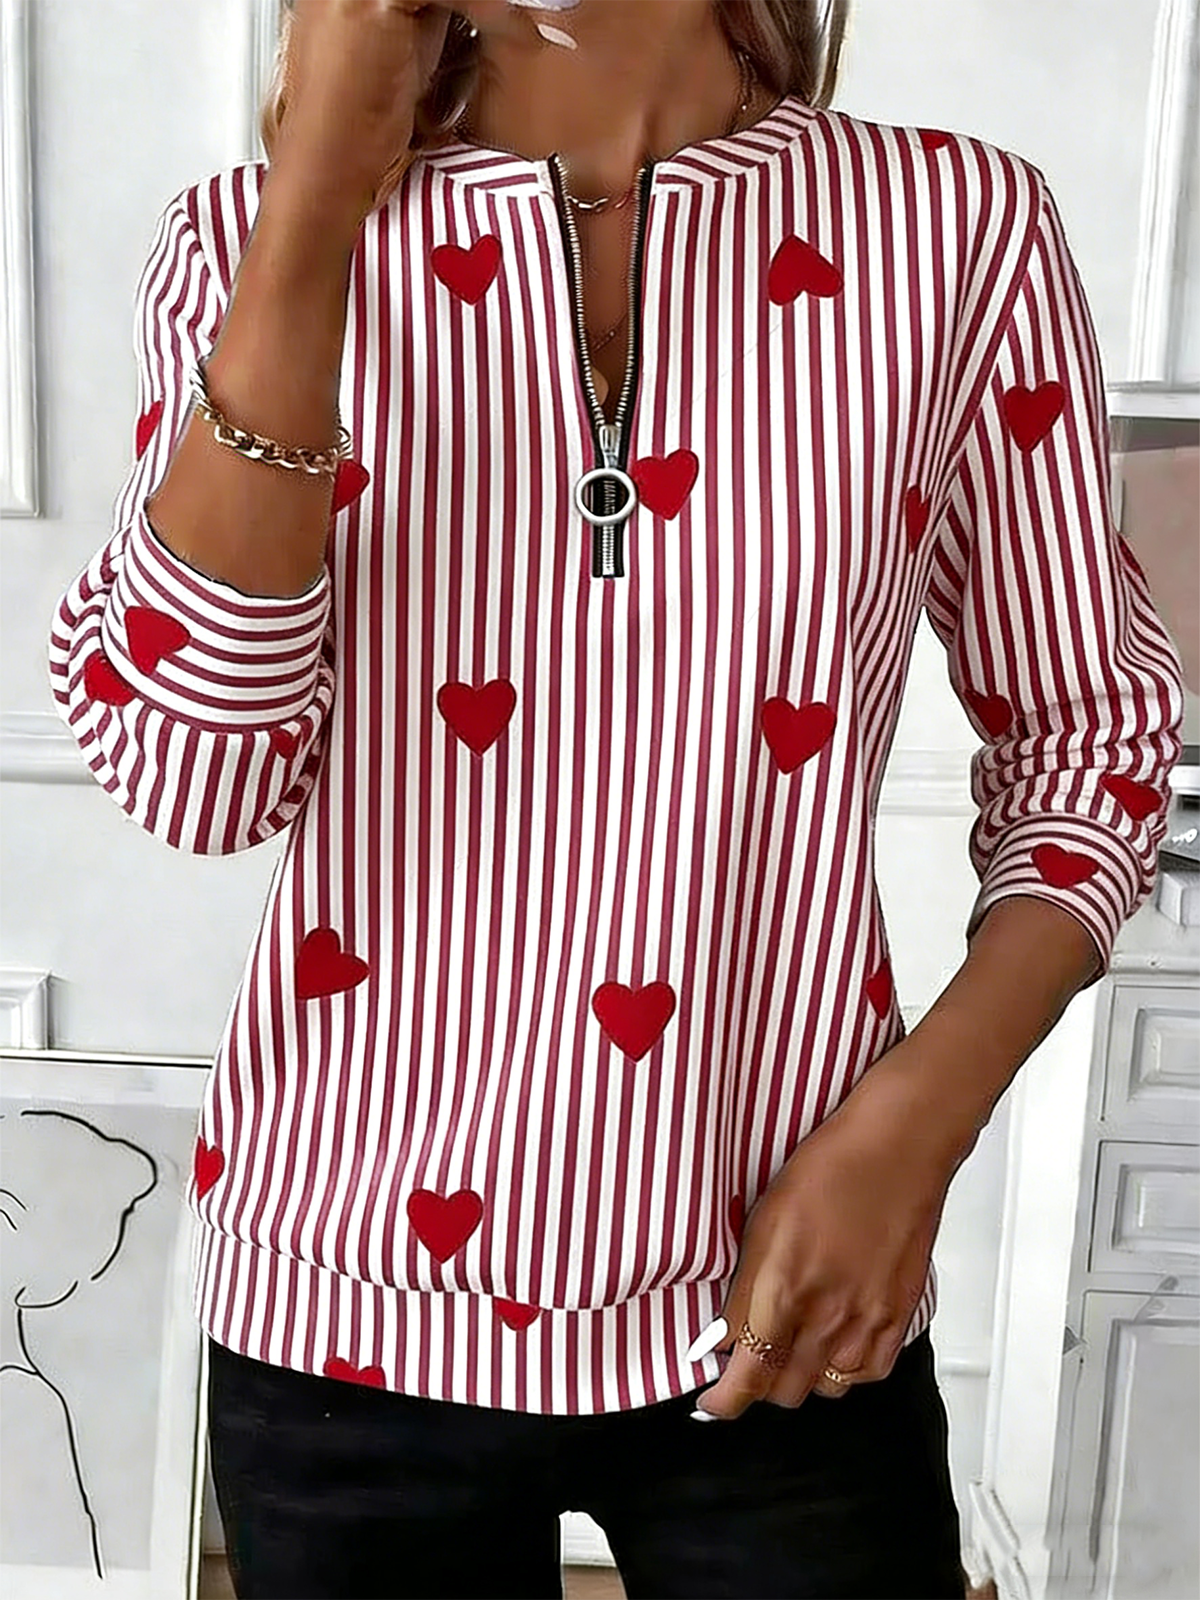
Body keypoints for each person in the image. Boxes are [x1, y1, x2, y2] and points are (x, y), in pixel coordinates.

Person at [47, 1, 1186, 1595]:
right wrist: (315, 199)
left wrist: (909, 1143)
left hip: (793, 1291)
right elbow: (196, 774)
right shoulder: (245, 237)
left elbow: (1090, 732)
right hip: (340, 1319)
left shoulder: (952, 225)